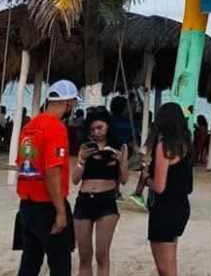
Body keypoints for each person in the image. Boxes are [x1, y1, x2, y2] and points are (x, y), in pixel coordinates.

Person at [13, 79, 80, 276]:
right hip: (48, 204)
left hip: (27, 205)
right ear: (68, 103)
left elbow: (24, 164)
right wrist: (60, 212)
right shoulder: (56, 128)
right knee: (60, 264)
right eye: (73, 104)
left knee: (30, 262)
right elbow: (52, 172)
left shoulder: (30, 127)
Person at [71, 108, 129, 276]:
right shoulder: (86, 146)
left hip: (106, 200)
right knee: (84, 256)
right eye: (92, 129)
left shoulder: (120, 147)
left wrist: (121, 161)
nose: (96, 132)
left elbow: (124, 180)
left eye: (100, 128)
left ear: (108, 126)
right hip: (84, 200)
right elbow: (75, 180)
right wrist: (81, 160)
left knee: (102, 254)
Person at [144, 102, 193, 276]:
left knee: (165, 268)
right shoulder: (185, 145)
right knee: (170, 261)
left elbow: (159, 186)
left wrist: (146, 179)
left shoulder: (164, 146)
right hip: (181, 206)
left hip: (165, 208)